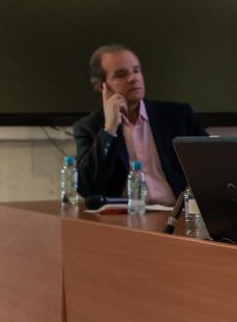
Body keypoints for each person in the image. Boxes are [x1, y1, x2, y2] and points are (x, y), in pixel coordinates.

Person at [73, 44, 207, 205]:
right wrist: (109, 129)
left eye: (136, 71)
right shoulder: (88, 127)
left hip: (178, 212)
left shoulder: (179, 116)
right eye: (121, 74)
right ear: (101, 86)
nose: (133, 78)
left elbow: (210, 166)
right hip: (125, 215)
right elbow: (87, 188)